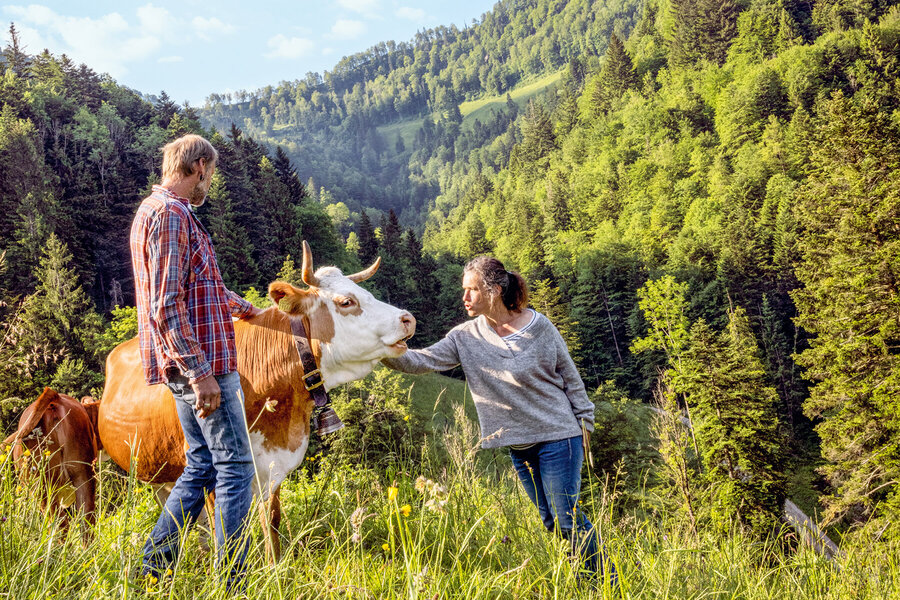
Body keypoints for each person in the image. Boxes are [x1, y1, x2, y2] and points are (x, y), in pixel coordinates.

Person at [382, 255, 611, 582]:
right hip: (518, 445)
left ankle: (607, 583)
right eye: (464, 290)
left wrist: (585, 422)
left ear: (495, 290)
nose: (464, 298)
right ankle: (585, 579)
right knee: (550, 520)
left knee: (568, 518)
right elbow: (421, 361)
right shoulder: (464, 337)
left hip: (559, 436)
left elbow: (570, 378)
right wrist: (378, 348)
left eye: (471, 290)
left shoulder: (539, 326)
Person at [130, 134, 261, 591]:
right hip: (202, 364)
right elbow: (166, 305)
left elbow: (199, 287)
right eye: (212, 173)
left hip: (187, 361)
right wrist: (200, 372)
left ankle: (151, 568)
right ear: (200, 167)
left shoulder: (156, 210)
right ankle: (234, 582)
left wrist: (249, 310)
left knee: (202, 465)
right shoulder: (170, 216)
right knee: (235, 466)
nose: (211, 183)